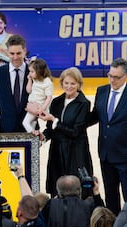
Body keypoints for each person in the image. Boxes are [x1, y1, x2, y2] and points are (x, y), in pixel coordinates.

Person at [87, 58, 127, 217]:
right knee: (111, 196)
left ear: (126, 76)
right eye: (110, 75)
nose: (112, 80)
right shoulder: (102, 91)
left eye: (116, 77)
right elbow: (95, 117)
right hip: (106, 155)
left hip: (126, 158)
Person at [37, 67, 93, 198]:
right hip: (57, 152)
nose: (69, 86)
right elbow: (51, 129)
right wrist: (42, 136)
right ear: (61, 83)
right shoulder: (56, 102)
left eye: (73, 83)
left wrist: (54, 120)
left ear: (79, 84)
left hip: (75, 153)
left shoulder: (84, 104)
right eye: (66, 83)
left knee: (76, 190)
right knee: (56, 189)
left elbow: (75, 132)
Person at [0, 34, 29, 133]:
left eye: (19, 53)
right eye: (12, 53)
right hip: (5, 130)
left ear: (25, 51)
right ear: (7, 53)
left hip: (30, 130)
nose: (15, 57)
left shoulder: (33, 72)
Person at [22, 58, 53, 133]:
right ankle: (33, 140)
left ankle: (34, 137)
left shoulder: (47, 82)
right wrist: (29, 80)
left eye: (32, 71)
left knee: (25, 122)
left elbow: (49, 97)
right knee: (32, 123)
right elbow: (28, 91)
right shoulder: (35, 80)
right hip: (32, 105)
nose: (30, 73)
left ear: (39, 71)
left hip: (38, 106)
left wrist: (42, 109)